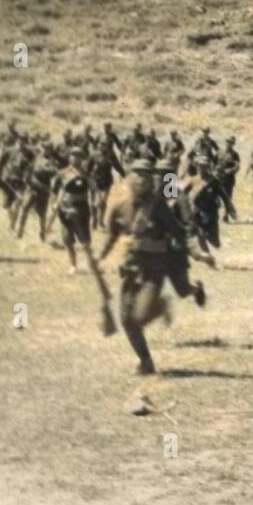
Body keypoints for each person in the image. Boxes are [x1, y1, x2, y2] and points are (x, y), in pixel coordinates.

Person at [98, 158, 210, 376]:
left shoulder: (169, 195)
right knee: (127, 320)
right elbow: (112, 233)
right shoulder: (123, 205)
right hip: (134, 267)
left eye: (157, 174)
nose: (152, 178)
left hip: (167, 259)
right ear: (129, 178)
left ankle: (173, 299)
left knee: (181, 290)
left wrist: (195, 252)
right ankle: (146, 362)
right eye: (140, 174)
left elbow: (183, 227)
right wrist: (101, 256)